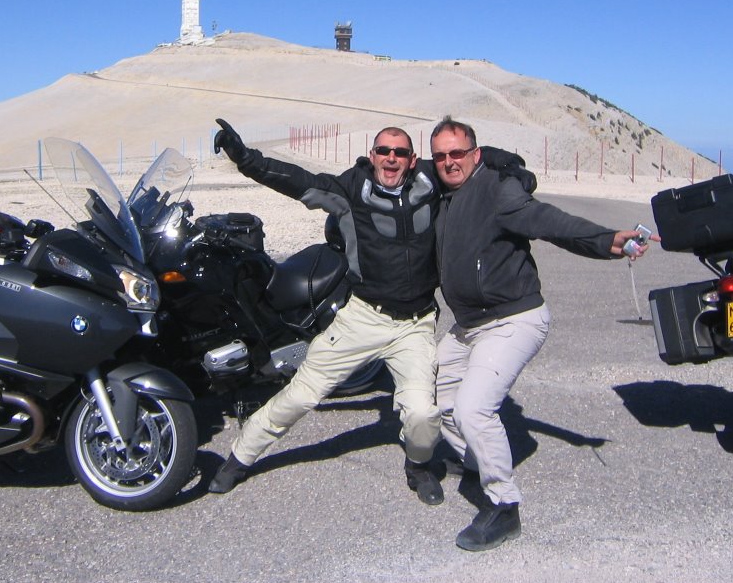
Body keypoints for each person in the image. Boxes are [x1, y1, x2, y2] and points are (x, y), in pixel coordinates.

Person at [428, 115, 654, 552]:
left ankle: (504, 506)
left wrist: (606, 240)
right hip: (468, 325)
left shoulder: (496, 189)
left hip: (514, 318)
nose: (450, 162)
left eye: (459, 153)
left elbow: (548, 221)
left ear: (475, 155)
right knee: (441, 401)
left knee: (474, 409)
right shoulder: (444, 194)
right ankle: (477, 462)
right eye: (442, 156)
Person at [208, 118, 445, 505]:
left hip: (415, 324)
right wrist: (246, 159)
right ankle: (240, 457)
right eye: (383, 151)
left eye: (400, 152)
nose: (391, 158)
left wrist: (513, 168)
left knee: (421, 413)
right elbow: (298, 181)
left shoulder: (430, 182)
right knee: (301, 395)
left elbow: (471, 161)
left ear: (412, 159)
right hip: (363, 316)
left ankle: (418, 466)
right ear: (372, 156)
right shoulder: (352, 190)